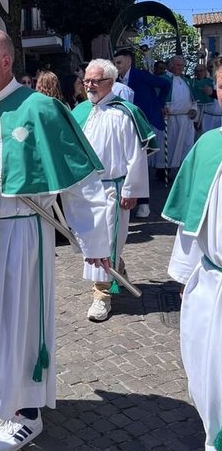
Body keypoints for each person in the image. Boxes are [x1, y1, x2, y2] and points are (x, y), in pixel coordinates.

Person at [0, 29, 110, 451]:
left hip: (19, 227)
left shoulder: (41, 109)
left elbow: (81, 182)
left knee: (16, 323)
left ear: (5, 61)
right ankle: (2, 383)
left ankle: (25, 412)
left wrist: (95, 244)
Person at [162, 57, 222, 451]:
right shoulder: (209, 147)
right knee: (210, 381)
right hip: (214, 284)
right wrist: (185, 278)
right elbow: (191, 221)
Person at [72, 60, 153, 322]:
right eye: (86, 81)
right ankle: (118, 270)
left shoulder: (125, 113)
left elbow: (136, 155)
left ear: (111, 82)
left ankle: (102, 295)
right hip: (86, 189)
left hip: (113, 189)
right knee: (89, 242)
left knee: (106, 243)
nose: (89, 86)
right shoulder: (80, 111)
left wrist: (131, 189)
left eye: (95, 81)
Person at [114, 47, 171, 217]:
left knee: (140, 162)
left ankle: (144, 202)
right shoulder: (115, 79)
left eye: (119, 62)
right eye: (115, 63)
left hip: (144, 122)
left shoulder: (141, 75)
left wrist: (158, 104)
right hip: (125, 125)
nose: (116, 66)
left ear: (128, 62)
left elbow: (165, 84)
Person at [156, 55, 197, 180]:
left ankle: (184, 172)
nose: (181, 68)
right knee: (169, 145)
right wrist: (161, 107)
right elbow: (155, 97)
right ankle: (163, 171)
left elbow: (193, 99)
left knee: (186, 145)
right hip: (170, 118)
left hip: (186, 119)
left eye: (182, 66)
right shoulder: (162, 79)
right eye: (178, 65)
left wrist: (194, 109)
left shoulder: (186, 80)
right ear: (171, 66)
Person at [192, 63, 222, 133]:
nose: (212, 68)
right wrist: (196, 120)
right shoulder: (203, 82)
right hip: (207, 117)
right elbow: (198, 103)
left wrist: (212, 93)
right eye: (210, 67)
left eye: (213, 66)